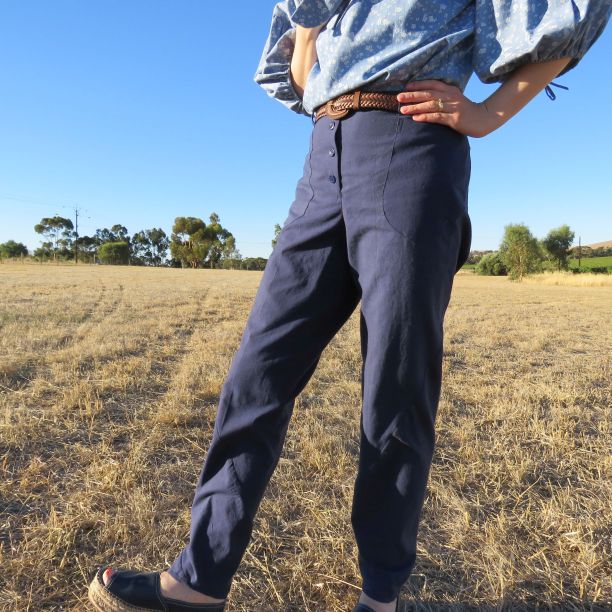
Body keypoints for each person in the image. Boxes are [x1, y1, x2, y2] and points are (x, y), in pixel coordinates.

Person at [88, 2, 611, 611]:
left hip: (412, 143)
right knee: (258, 370)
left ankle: (379, 594)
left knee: (394, 381)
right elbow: (308, 82)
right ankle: (200, 579)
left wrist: (488, 114)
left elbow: (574, 10)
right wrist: (309, 23)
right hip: (324, 156)